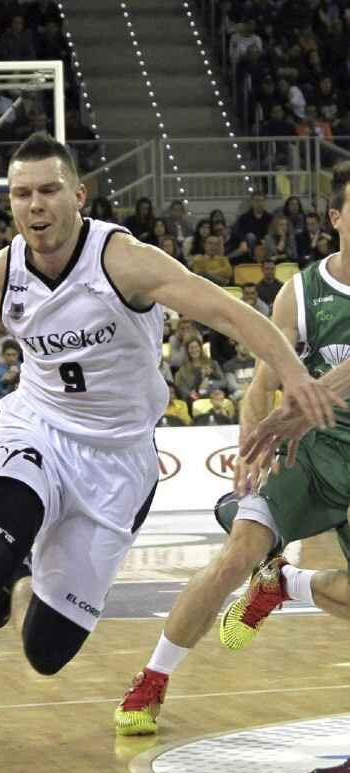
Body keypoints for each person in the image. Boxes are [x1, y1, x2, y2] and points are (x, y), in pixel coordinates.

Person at [0, 133, 338, 773]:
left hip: (117, 463)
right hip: (37, 431)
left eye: (49, 190)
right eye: (22, 193)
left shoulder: (125, 262)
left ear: (78, 196)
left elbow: (231, 313)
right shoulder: (0, 273)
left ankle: (19, 578)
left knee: (45, 652)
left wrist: (293, 376)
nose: (35, 204)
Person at [114, 160, 350, 740]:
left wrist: (299, 403)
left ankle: (286, 585)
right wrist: (252, 447)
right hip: (308, 451)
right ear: (338, 217)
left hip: (312, 429)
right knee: (233, 557)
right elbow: (264, 381)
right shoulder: (304, 290)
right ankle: (152, 679)